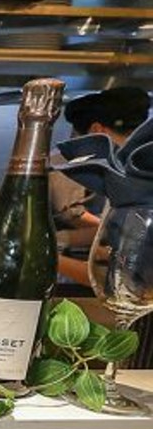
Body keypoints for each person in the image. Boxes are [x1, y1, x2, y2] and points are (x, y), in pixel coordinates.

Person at [52, 86, 150, 287]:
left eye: (76, 138)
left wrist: (48, 256)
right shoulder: (125, 177)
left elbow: (128, 283)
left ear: (97, 131)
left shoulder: (133, 184)